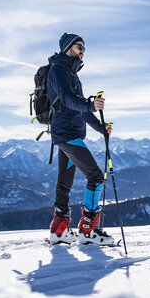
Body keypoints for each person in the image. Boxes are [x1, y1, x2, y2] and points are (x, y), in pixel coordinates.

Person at [47, 33, 114, 246]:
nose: (83, 50)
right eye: (79, 46)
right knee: (95, 176)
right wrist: (90, 104)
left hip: (67, 134)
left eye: (84, 47)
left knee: (64, 182)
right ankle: (88, 230)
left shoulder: (72, 74)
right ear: (68, 47)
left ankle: (59, 232)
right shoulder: (58, 70)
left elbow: (82, 111)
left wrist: (100, 128)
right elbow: (68, 100)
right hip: (66, 134)